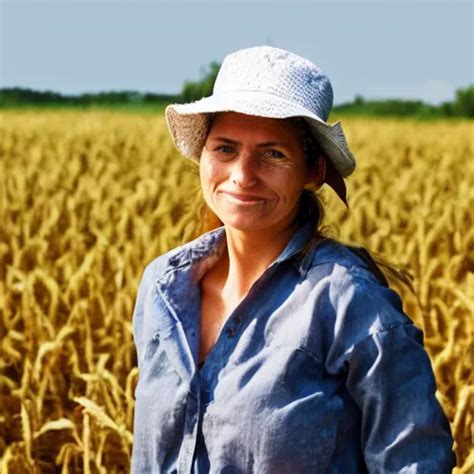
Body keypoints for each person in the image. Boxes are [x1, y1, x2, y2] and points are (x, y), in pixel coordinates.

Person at [131, 46, 456, 473]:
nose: (242, 175)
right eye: (225, 149)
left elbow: (414, 463)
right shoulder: (162, 288)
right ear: (203, 155)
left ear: (313, 171)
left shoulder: (348, 301)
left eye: (273, 154)